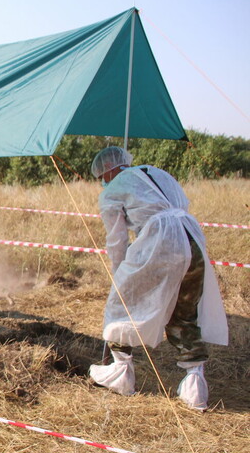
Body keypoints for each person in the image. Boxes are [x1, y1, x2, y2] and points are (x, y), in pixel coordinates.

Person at [88, 146, 228, 410]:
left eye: (101, 177)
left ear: (109, 169)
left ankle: (120, 374)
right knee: (185, 311)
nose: (102, 182)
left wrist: (119, 272)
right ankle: (195, 385)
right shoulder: (158, 173)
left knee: (122, 303)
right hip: (192, 241)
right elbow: (181, 205)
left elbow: (117, 239)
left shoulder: (115, 187)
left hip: (159, 242)